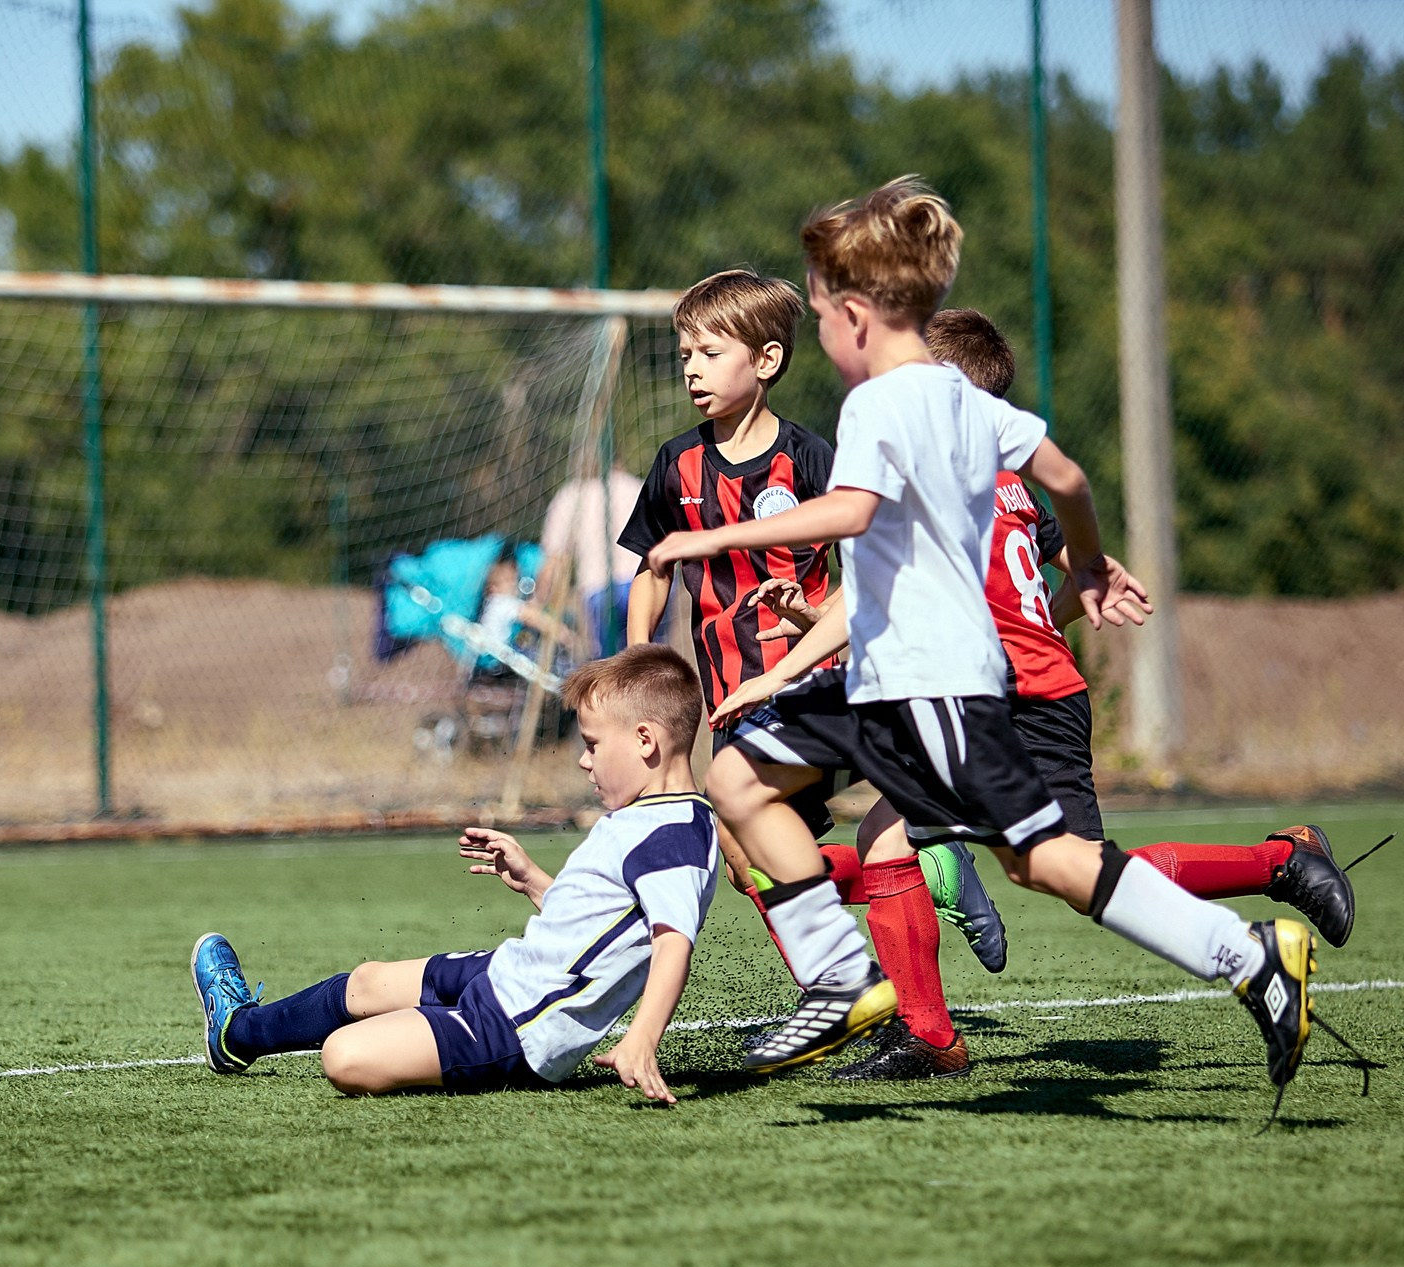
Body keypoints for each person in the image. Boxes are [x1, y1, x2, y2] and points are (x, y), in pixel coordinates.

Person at [648, 178, 1322, 1110]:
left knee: (1048, 861)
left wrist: (712, 537)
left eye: (822, 314)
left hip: (933, 687)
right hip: (900, 681)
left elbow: (851, 512)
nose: (822, 335)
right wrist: (1088, 564)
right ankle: (846, 980)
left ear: (855, 317)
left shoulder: (879, 405)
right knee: (740, 782)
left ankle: (1247, 956)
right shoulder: (971, 405)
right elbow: (1068, 479)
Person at [617, 266, 1001, 1067]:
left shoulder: (811, 458)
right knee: (750, 860)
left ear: (765, 361)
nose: (691, 369)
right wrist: (636, 660)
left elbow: (868, 566)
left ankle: (851, 996)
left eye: (709, 352)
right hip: (731, 692)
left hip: (813, 681)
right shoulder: (675, 466)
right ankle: (919, 891)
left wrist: (819, 628)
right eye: (684, 354)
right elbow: (652, 569)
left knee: (748, 830)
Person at [190, 644, 716, 1102]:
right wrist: (534, 881)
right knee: (368, 981)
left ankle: (419, 1037)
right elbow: (602, 930)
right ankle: (237, 1033)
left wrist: (642, 1037)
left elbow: (672, 943)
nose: (584, 760)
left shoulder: (674, 834)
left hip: (515, 1029)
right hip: (508, 973)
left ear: (645, 740)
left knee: (344, 1056)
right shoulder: (650, 816)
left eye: (592, 744)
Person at [538, 467, 643, 655]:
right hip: (644, 581)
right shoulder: (637, 487)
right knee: (650, 659)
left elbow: (555, 559)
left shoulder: (571, 495)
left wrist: (539, 601)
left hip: (599, 587)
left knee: (610, 662)